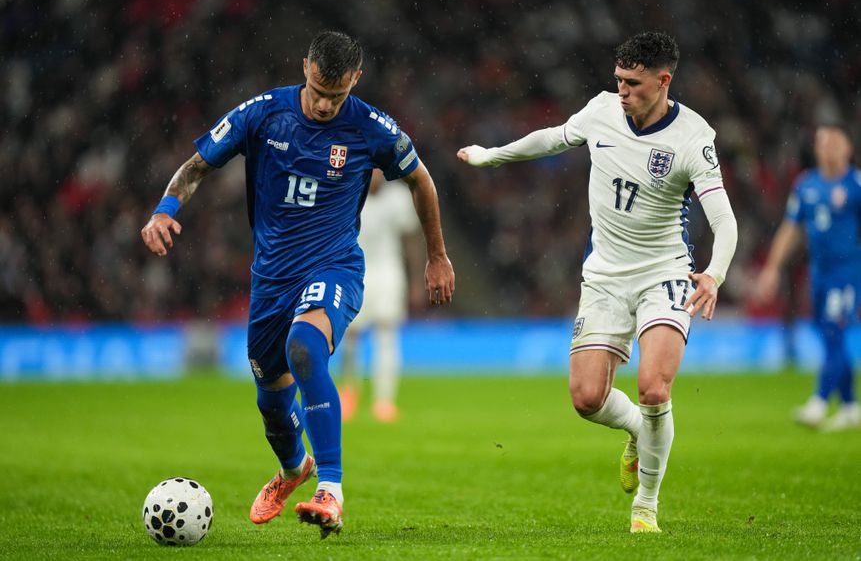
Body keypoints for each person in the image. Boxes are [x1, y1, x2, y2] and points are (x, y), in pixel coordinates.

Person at [141, 31, 455, 538]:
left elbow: (422, 180)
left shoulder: (372, 127)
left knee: (305, 346)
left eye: (337, 94)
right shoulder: (263, 113)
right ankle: (294, 469)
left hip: (334, 265)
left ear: (355, 79)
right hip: (270, 279)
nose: (327, 104)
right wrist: (164, 209)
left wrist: (437, 256)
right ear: (305, 66)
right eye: (318, 90)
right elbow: (198, 164)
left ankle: (330, 488)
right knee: (270, 397)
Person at [457, 32, 737, 533]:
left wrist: (713, 274)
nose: (623, 91)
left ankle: (645, 507)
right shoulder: (602, 111)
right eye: (618, 81)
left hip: (664, 273)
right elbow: (553, 137)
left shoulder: (694, 137)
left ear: (663, 81)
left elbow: (725, 219)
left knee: (654, 389)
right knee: (587, 398)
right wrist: (492, 155)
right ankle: (635, 430)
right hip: (604, 276)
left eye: (633, 83)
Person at [756, 125, 861, 431]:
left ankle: (819, 402)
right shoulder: (806, 185)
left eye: (832, 141)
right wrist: (772, 267)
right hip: (819, 272)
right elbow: (791, 228)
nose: (826, 147)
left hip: (848, 272)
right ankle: (851, 406)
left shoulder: (855, 184)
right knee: (829, 334)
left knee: (833, 331)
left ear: (847, 147)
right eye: (821, 142)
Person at [339, 170, 424, 423]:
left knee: (387, 334)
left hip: (389, 270)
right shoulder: (351, 191)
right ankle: (349, 391)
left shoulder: (399, 196)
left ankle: (384, 401)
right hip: (355, 269)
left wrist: (417, 280)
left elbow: (411, 240)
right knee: (349, 334)